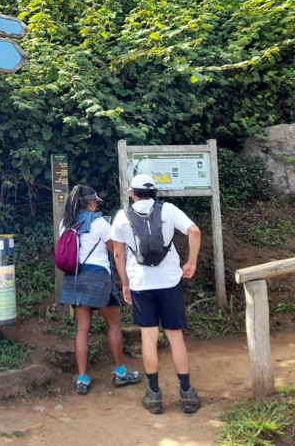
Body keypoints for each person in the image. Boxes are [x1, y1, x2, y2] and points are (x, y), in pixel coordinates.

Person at [110, 174, 202, 414]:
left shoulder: (122, 216)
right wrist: (191, 262)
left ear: (133, 193)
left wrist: (125, 283)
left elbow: (118, 255)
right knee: (175, 336)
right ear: (155, 193)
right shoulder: (168, 210)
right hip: (170, 281)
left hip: (141, 284)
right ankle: (187, 394)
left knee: (149, 337)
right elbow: (194, 231)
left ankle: (154, 395)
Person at [58, 184, 141, 395]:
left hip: (75, 278)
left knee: (82, 329)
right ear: (92, 204)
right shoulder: (100, 223)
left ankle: (82, 378)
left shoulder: (65, 223)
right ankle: (120, 372)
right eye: (95, 202)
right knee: (113, 323)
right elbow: (114, 250)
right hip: (98, 278)